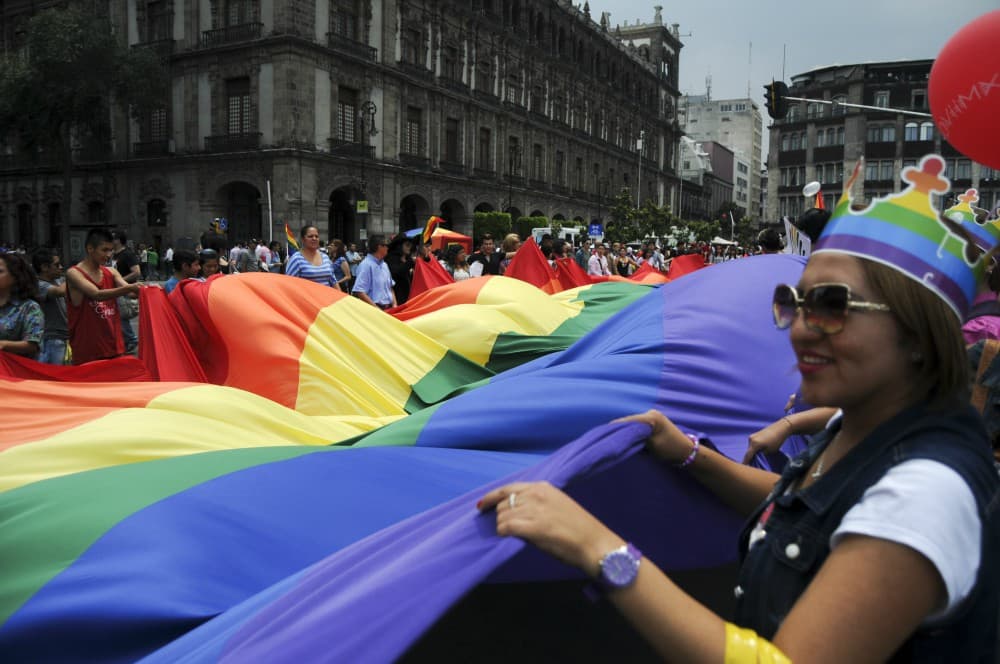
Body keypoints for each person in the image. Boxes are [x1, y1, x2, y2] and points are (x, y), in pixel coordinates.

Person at [479, 155, 999, 662]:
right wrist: (688, 455)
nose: (799, 328)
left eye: (832, 306)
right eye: (794, 304)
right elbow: (804, 502)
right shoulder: (867, 422)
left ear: (918, 335)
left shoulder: (925, 493)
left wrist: (598, 548)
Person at [65, 227, 140, 364]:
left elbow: (130, 293)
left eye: (111, 250)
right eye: (104, 250)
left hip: (114, 346)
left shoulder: (111, 272)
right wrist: (131, 287)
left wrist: (148, 290)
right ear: (90, 248)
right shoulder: (74, 273)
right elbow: (96, 294)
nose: (109, 254)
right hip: (87, 350)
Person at [0, 251, 43, 358]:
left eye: (0, 271)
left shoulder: (30, 307)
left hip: (17, 371)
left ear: (15, 277)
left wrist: (3, 345)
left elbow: (32, 344)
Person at [31, 247, 69, 364]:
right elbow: (60, 292)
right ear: (44, 267)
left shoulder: (58, 281)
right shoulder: (39, 285)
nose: (61, 267)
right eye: (56, 265)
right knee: (54, 376)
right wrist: (74, 275)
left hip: (64, 337)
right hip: (52, 338)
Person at [111, 230, 141, 353]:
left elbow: (136, 272)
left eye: (112, 238)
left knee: (121, 315)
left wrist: (120, 280)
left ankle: (131, 339)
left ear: (118, 240)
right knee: (116, 316)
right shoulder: (113, 255)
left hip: (124, 290)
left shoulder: (127, 254)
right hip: (116, 290)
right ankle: (125, 340)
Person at [352, 234, 395, 309]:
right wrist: (376, 308)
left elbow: (390, 287)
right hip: (375, 310)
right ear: (379, 247)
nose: (388, 248)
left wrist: (394, 304)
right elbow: (360, 291)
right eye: (386, 245)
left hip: (389, 308)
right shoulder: (366, 265)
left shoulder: (385, 265)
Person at [385, 236, 414, 304]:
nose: (409, 247)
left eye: (410, 245)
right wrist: (409, 263)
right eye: (407, 245)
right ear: (400, 246)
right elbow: (396, 272)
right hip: (396, 296)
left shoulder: (408, 259)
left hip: (407, 296)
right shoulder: (391, 258)